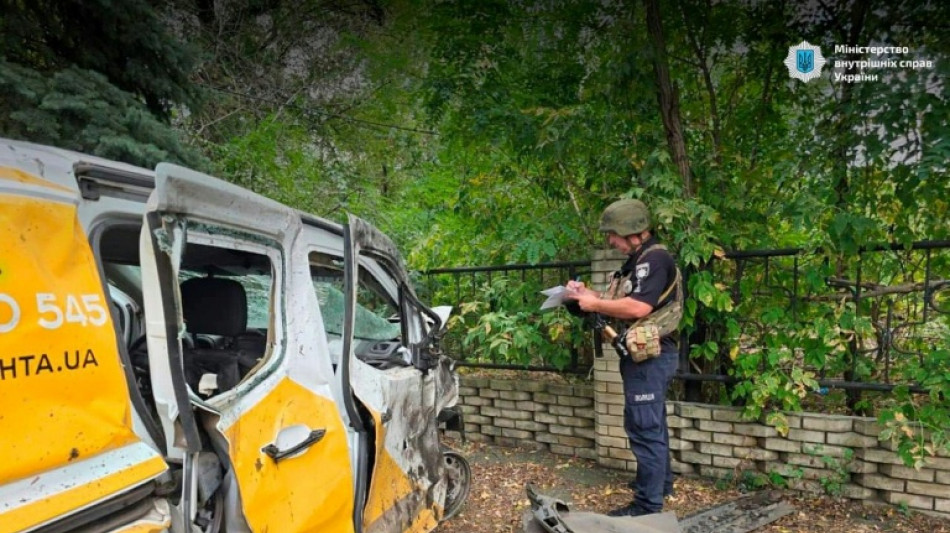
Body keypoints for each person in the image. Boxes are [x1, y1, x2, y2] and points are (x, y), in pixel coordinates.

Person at [564, 198, 681, 517]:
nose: (610, 241)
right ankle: (661, 484)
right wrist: (583, 296)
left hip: (651, 358)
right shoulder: (637, 261)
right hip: (643, 356)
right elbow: (617, 301)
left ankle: (647, 506)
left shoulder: (654, 260)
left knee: (644, 426)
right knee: (652, 423)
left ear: (633, 232)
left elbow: (638, 308)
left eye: (612, 234)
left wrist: (595, 304)